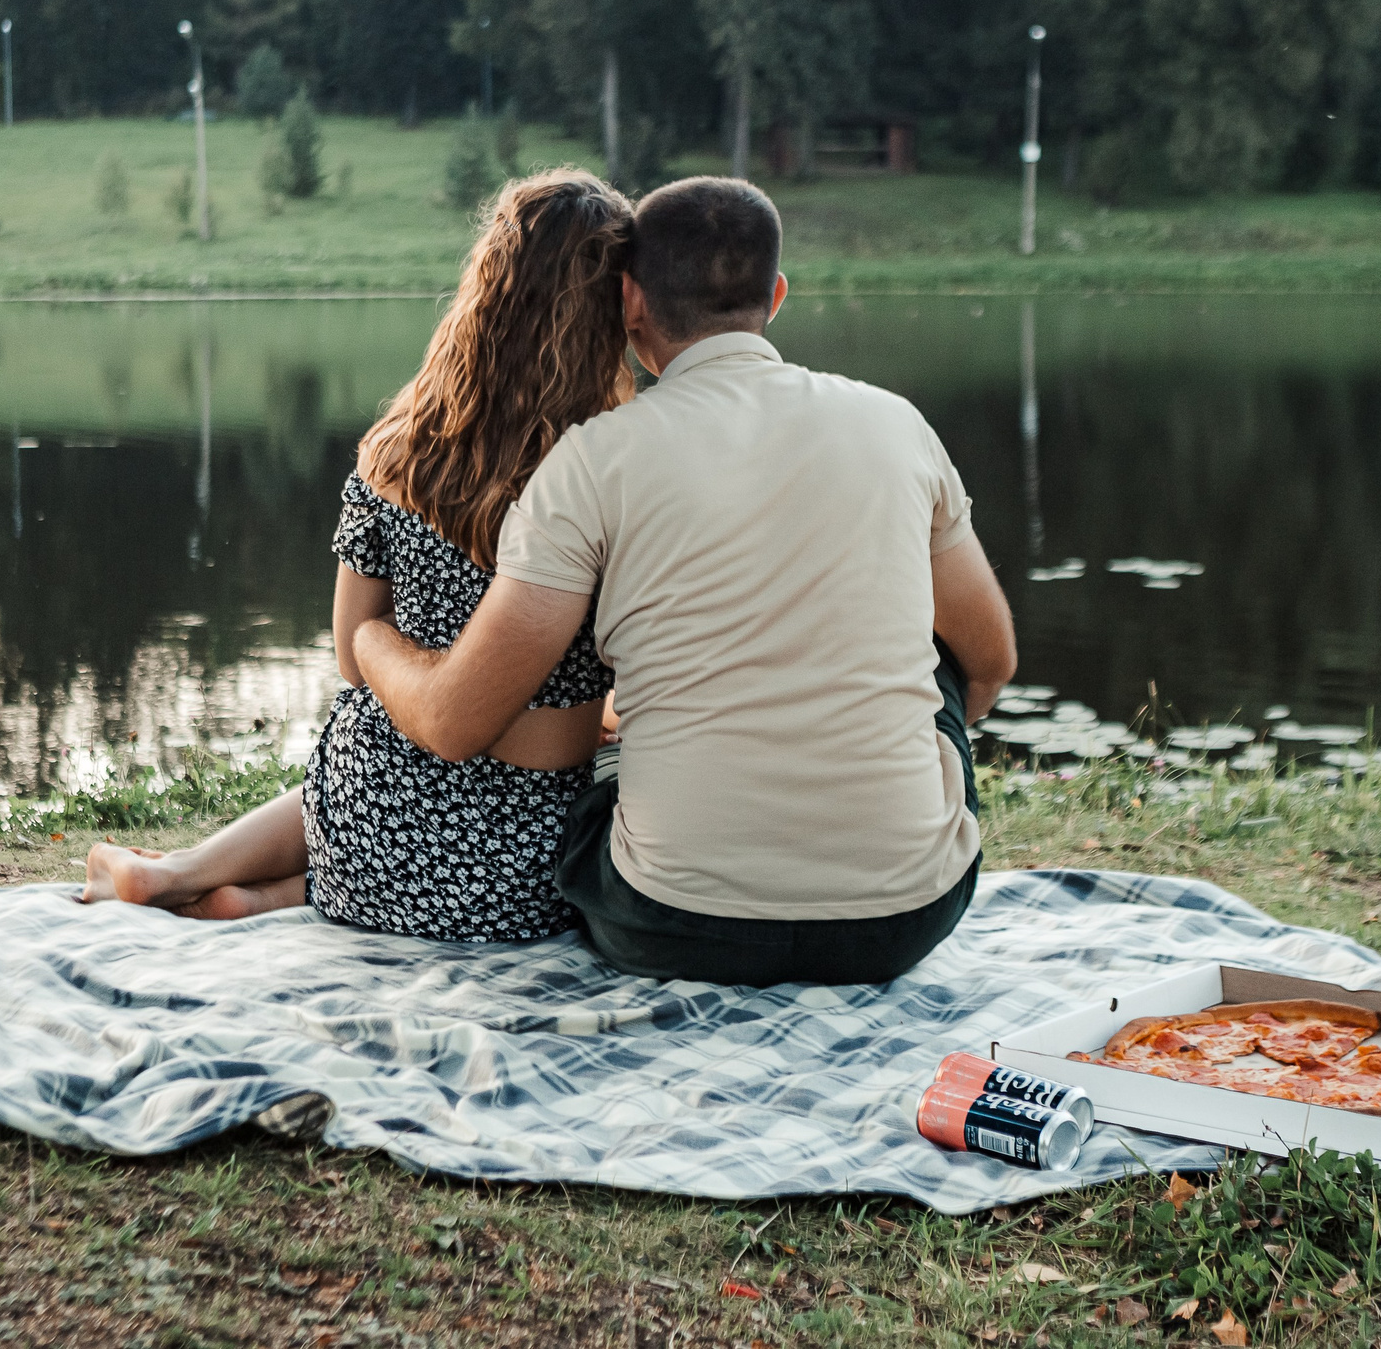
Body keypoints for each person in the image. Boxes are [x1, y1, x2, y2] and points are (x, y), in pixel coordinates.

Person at [353, 176, 1017, 986]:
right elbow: (990, 660)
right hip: (903, 920)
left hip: (671, 924)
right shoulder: (896, 423)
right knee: (942, 651)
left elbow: (457, 721)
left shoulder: (592, 461)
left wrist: (372, 639)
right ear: (775, 294)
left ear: (630, 302)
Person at [80, 169, 635, 937]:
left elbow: (350, 653)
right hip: (519, 870)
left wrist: (389, 645)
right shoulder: (607, 465)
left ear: (488, 286)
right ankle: (246, 893)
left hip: (370, 824)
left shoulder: (397, 449)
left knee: (369, 735)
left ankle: (197, 877)